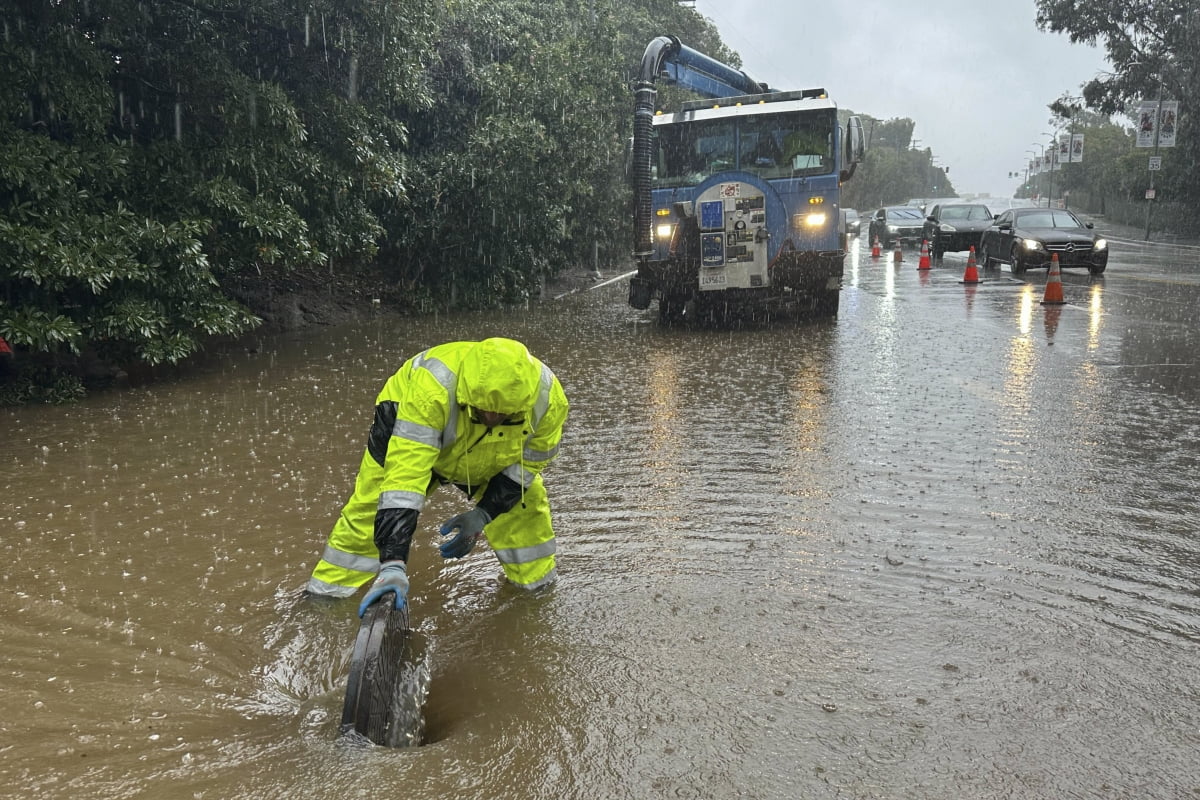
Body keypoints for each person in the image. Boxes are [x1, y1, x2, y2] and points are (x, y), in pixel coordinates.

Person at [306, 337, 569, 616]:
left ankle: (537, 598)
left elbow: (524, 471)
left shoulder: (549, 401)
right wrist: (393, 562)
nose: (491, 416)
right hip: (406, 428)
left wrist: (484, 513)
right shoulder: (430, 389)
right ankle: (324, 602)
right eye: (484, 409)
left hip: (497, 451)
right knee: (369, 514)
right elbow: (404, 480)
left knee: (524, 514)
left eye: (502, 413)